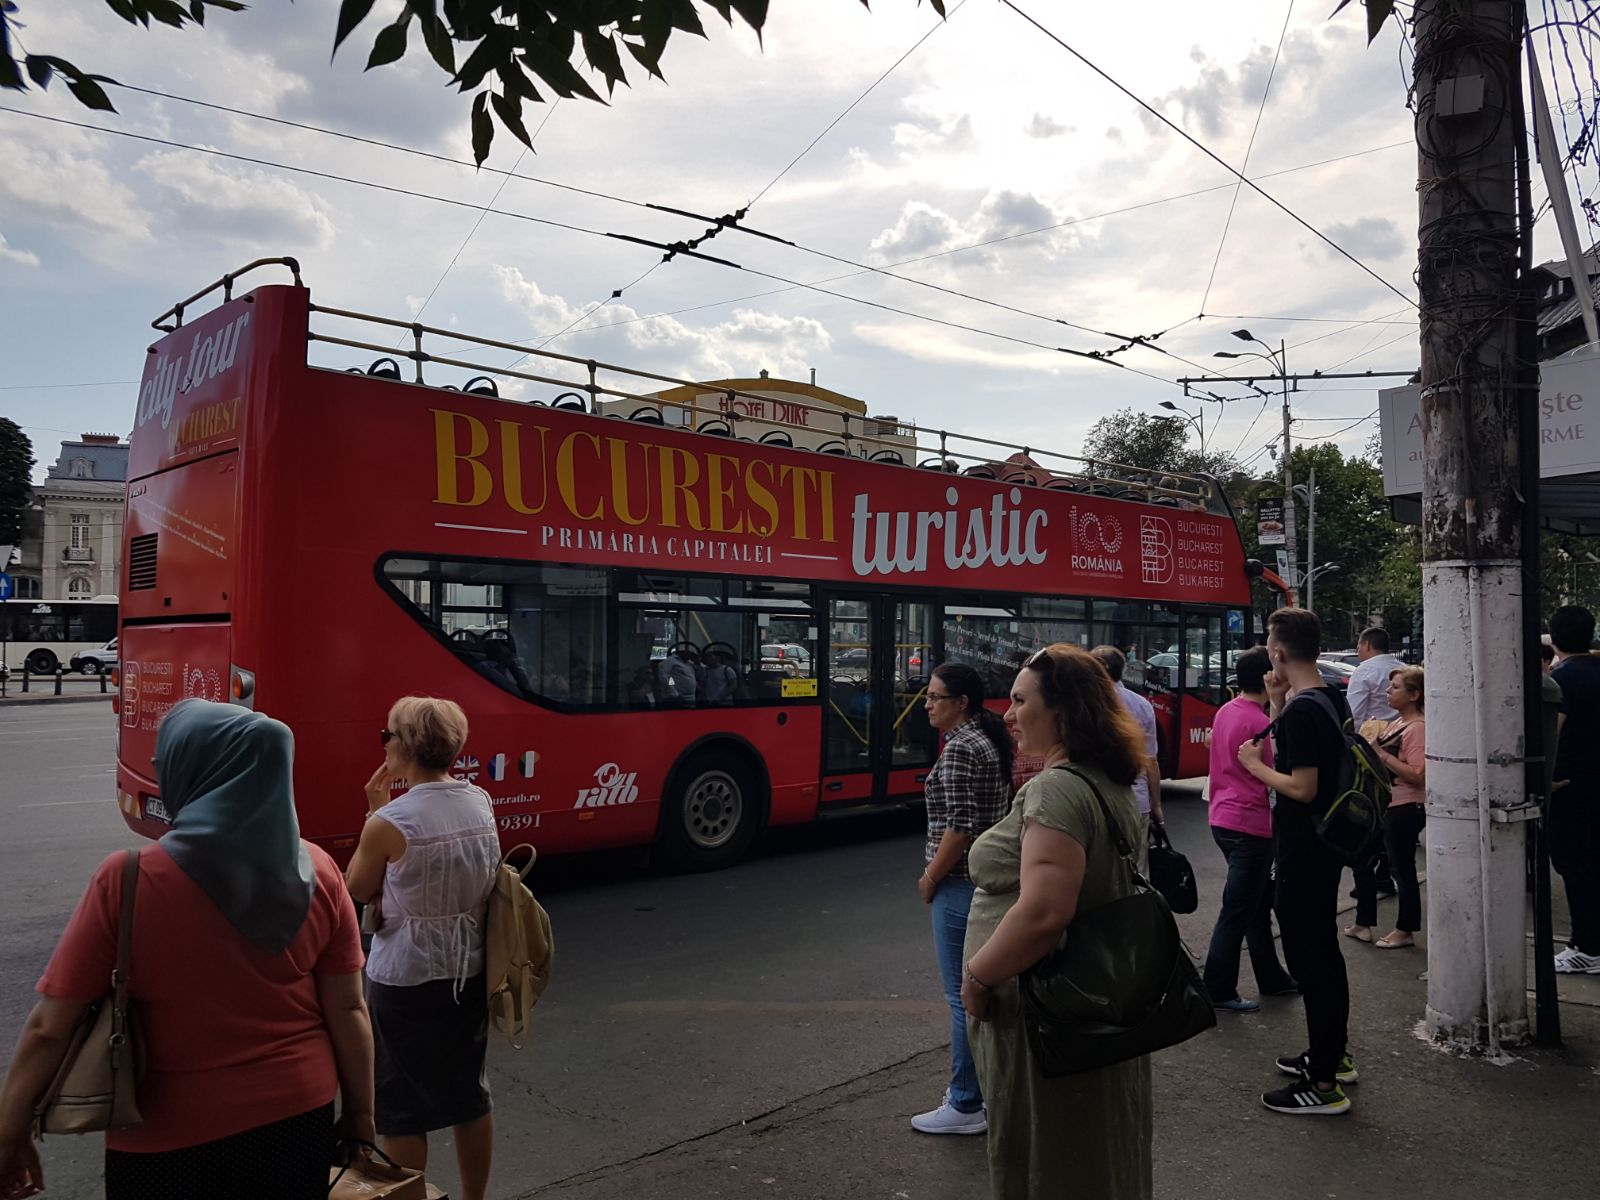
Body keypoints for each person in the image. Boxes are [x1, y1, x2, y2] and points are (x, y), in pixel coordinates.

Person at [0, 699, 373, 1200]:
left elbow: (50, 1027)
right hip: (297, 1117)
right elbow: (349, 1008)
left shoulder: (128, 879)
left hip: (167, 1134)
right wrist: (360, 1118)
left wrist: (10, 1131)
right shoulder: (322, 871)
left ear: (192, 770)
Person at [961, 645, 1152, 1199]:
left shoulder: (1058, 789)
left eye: (1021, 701)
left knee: (1048, 1148)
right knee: (1092, 1143)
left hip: (1044, 1012)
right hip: (1092, 1004)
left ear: (1063, 712)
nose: (1008, 713)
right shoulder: (1102, 779)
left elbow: (1044, 913)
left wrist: (978, 977)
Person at [346, 697, 502, 1200]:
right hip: (470, 966)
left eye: (387, 735)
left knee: (401, 1108)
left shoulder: (390, 821)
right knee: (468, 1097)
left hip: (406, 976)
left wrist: (375, 808)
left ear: (408, 746)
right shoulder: (478, 801)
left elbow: (357, 887)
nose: (384, 744)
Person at [1238, 607, 1356, 1116]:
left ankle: (1325, 1083)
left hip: (1305, 851)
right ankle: (1330, 1055)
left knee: (1313, 961)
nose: (1268, 651)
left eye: (1269, 644)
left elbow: (1302, 787)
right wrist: (1279, 697)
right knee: (1322, 954)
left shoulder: (1307, 711)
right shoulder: (1327, 698)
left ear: (1279, 651)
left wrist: (1252, 766)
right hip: (1325, 847)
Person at [911, 663, 1013, 1136]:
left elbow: (960, 827)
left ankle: (966, 1102)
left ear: (961, 703)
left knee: (961, 996)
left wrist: (931, 877)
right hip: (984, 878)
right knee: (977, 990)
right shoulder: (984, 740)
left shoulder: (959, 750)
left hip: (959, 880)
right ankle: (980, 1095)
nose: (927, 704)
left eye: (935, 696)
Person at [1202, 646, 1297, 1011]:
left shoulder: (1227, 710)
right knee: (1238, 910)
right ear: (1266, 677)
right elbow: (1278, 773)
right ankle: (1218, 987)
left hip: (1222, 818)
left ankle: (1273, 978)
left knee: (1255, 905)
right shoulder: (1259, 722)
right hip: (1250, 823)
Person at [1351, 667, 1427, 949]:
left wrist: (1380, 753)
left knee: (1401, 867)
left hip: (1405, 805)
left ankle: (1405, 929)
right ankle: (1363, 921)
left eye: (1395, 687)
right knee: (1365, 860)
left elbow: (1418, 774)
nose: (1387, 692)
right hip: (1386, 804)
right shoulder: (1397, 722)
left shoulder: (1417, 727)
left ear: (1414, 694)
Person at [1548, 606, 1600, 974]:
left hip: (1570, 787)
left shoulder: (1560, 680)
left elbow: (1552, 734)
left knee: (1576, 867)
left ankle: (1587, 946)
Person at [1090, 645, 1163, 871]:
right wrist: (1156, 804)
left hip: (1095, 801)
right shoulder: (1142, 705)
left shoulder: (1085, 704)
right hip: (1136, 801)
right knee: (1136, 872)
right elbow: (1150, 761)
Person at [1346, 627, 1404, 727]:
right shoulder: (1405, 669)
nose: (1358, 651)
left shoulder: (1363, 672)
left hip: (1373, 735)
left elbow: (1354, 713)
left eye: (1358, 647)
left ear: (1367, 645)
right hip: (1402, 731)